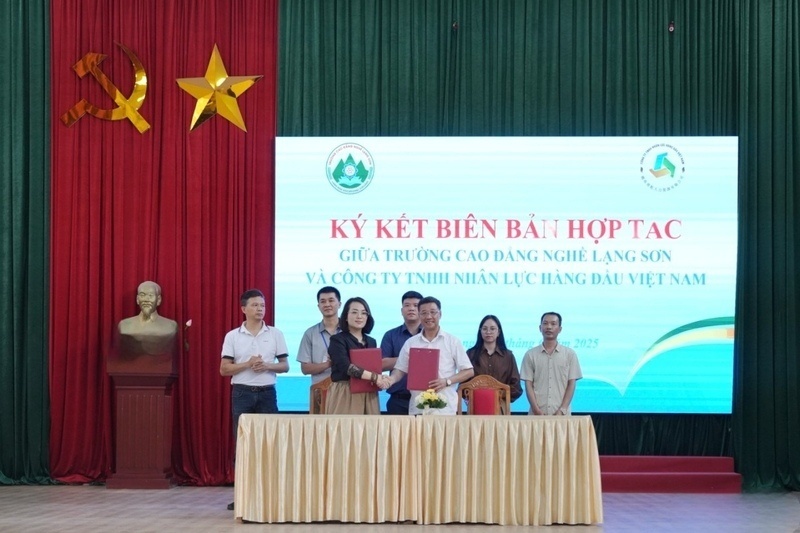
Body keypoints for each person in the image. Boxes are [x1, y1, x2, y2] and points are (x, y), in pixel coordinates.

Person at [219, 288, 289, 510]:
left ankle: (270, 496)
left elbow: (285, 366)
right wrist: (247, 364)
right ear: (243, 309)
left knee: (270, 444)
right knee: (243, 445)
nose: (260, 309)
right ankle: (242, 496)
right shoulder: (233, 335)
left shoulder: (275, 334)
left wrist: (267, 365)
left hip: (267, 392)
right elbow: (224, 369)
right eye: (255, 305)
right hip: (242, 392)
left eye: (263, 305)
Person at [383, 296, 474, 415]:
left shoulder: (452, 341)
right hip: (418, 407)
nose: (429, 316)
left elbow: (469, 371)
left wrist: (447, 381)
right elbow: (400, 369)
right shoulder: (411, 343)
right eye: (424, 313)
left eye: (433, 312)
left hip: (445, 408)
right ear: (419, 316)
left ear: (440, 314)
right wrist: (391, 379)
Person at [326, 297, 387, 414]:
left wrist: (382, 378)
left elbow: (374, 367)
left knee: (370, 430)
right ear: (346, 316)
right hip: (345, 392)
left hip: (369, 392)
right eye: (354, 312)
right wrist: (375, 377)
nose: (359, 316)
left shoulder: (371, 341)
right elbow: (347, 367)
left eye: (364, 313)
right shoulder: (337, 340)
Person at [519, 312, 582, 415]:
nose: (549, 327)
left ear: (560, 329)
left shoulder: (570, 354)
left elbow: (571, 384)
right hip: (536, 415)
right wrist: (536, 409)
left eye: (553, 324)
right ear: (540, 328)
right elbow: (528, 384)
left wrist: (563, 409)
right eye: (545, 323)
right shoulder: (530, 355)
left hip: (562, 415)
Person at [465, 314, 522, 413]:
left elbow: (516, 387)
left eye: (492, 329)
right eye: (485, 329)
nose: (488, 332)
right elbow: (463, 384)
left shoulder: (508, 356)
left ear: (498, 332)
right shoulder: (470, 354)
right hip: (476, 407)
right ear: (480, 331)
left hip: (500, 407)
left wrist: (497, 394)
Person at [379, 290, 423, 414]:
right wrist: (411, 358)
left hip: (426, 399)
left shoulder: (430, 336)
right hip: (398, 399)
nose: (411, 309)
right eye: (407, 305)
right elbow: (382, 364)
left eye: (415, 305)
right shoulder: (390, 335)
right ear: (401, 310)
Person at [117, 280, 178, 355]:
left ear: (158, 300)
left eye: (150, 295)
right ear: (137, 299)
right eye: (142, 295)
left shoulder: (170, 326)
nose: (146, 300)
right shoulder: (124, 325)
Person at [296, 286, 341, 384]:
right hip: (321, 388)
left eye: (331, 300)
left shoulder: (349, 330)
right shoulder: (310, 333)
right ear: (319, 306)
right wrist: (329, 364)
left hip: (346, 389)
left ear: (339, 304)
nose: (327, 304)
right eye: (323, 301)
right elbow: (305, 369)